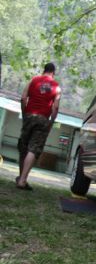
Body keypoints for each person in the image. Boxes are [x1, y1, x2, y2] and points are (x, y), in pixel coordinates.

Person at [16, 62, 61, 190]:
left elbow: (23, 98)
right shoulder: (57, 87)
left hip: (29, 115)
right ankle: (23, 180)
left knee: (24, 146)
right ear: (53, 72)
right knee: (33, 149)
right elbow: (56, 107)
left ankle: (21, 177)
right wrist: (51, 121)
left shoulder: (33, 80)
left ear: (44, 70)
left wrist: (25, 114)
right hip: (43, 119)